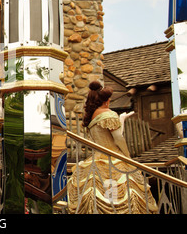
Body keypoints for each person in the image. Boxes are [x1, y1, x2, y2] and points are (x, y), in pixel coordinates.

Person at [67, 81, 158, 214]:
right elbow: (118, 138)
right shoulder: (108, 114)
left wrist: (121, 119)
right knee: (123, 191)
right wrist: (127, 156)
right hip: (114, 159)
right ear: (107, 100)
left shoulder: (93, 115)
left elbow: (108, 135)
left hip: (96, 159)